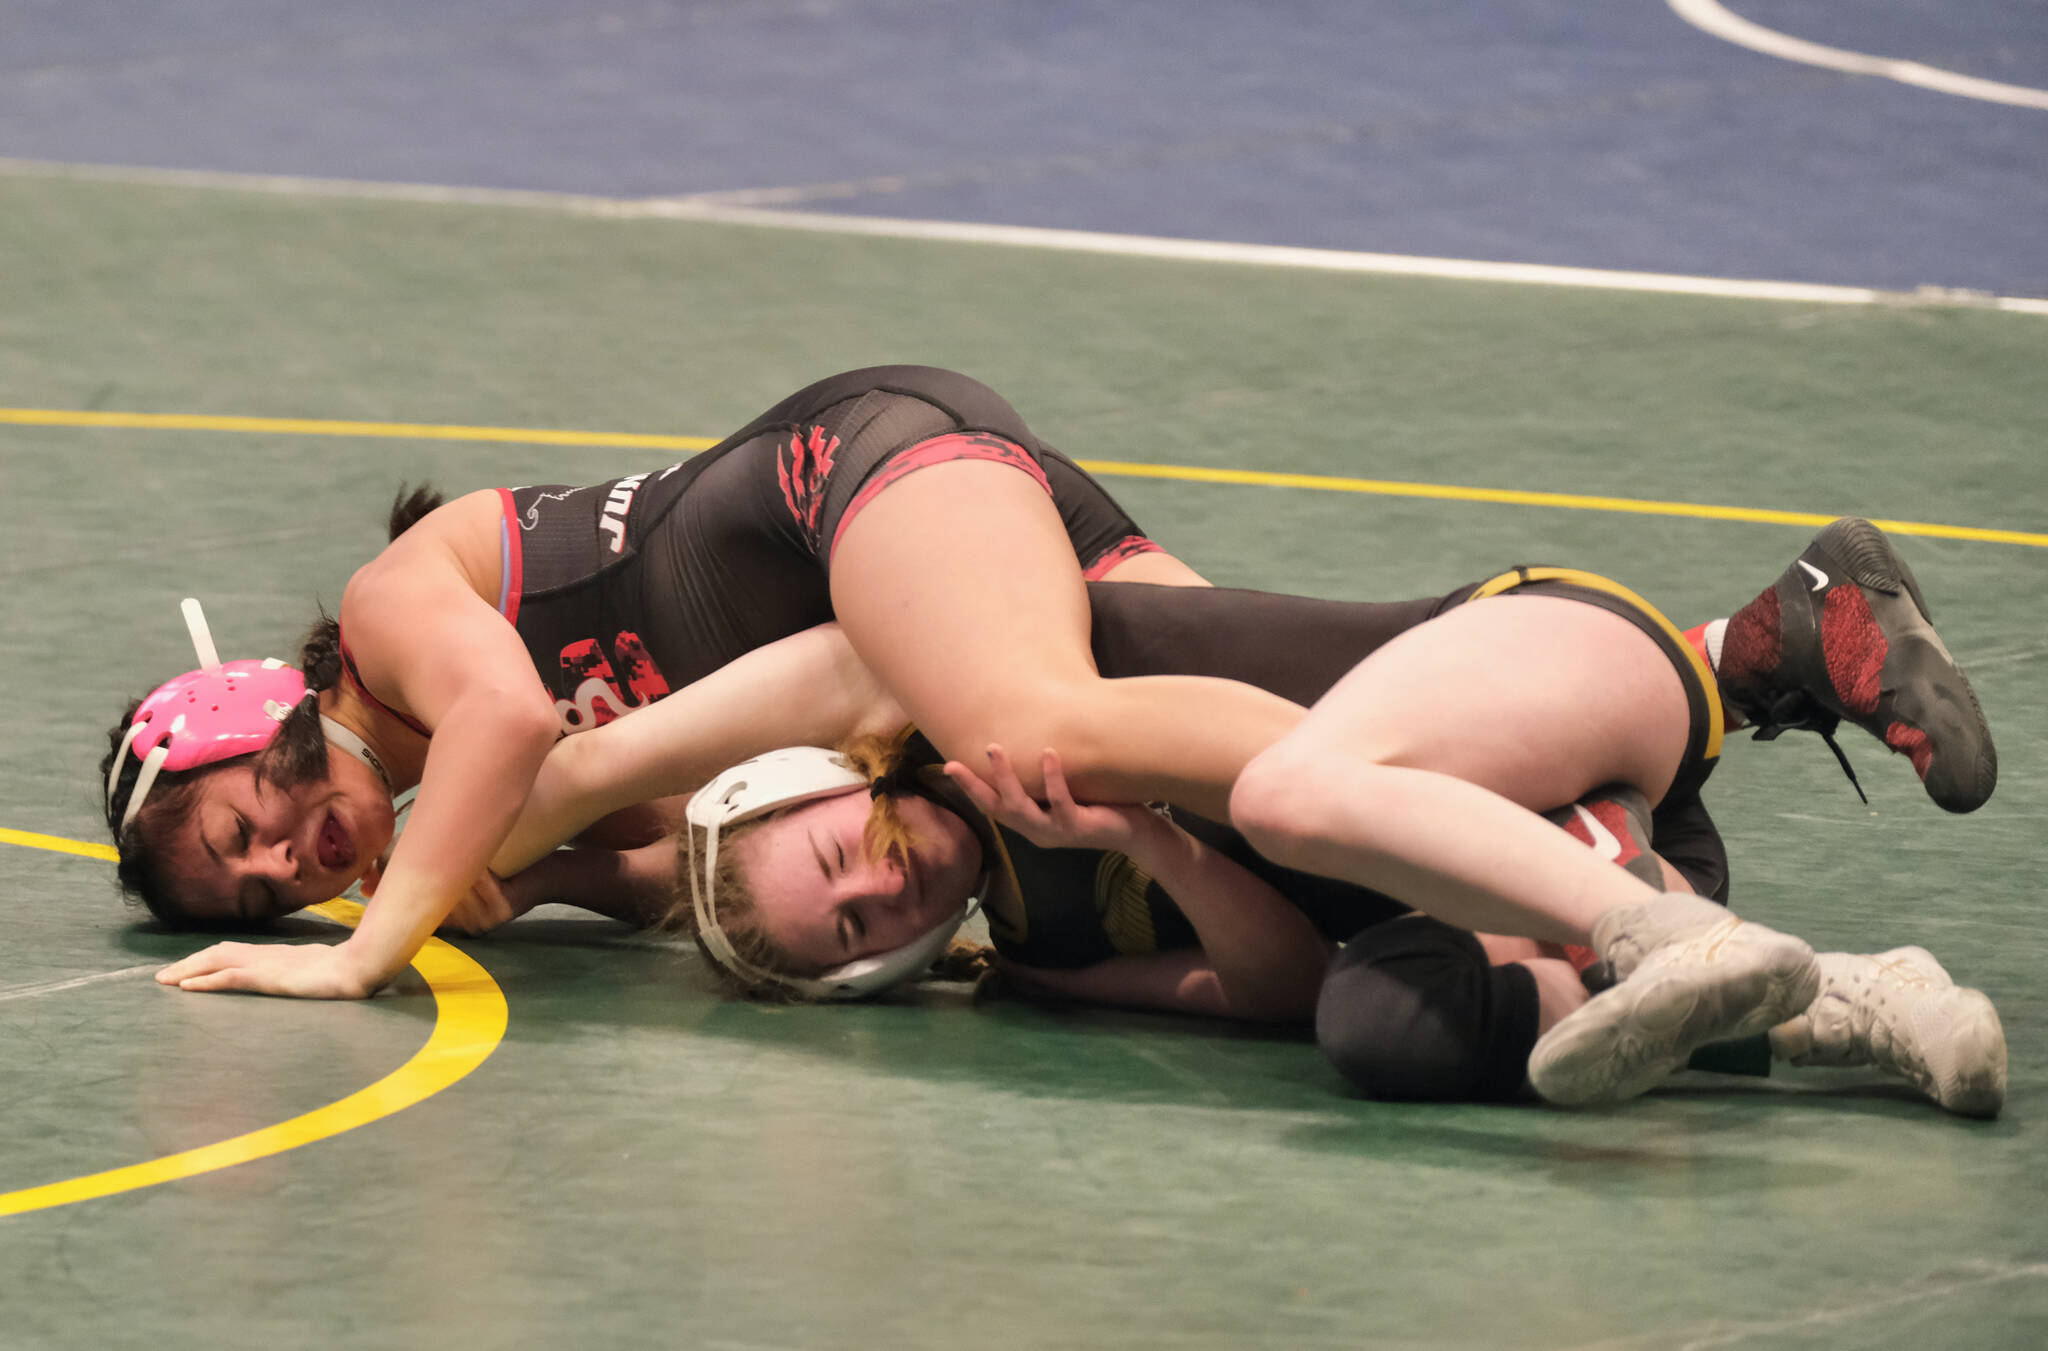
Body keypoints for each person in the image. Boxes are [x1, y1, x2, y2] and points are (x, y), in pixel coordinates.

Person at [106, 367, 1991, 1106]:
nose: (288, 861)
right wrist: (529, 888)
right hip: (916, 569)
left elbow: (531, 726)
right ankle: (1740, 700)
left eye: (252, 813)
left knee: (1079, 731)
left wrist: (367, 951)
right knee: (1239, 749)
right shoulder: (482, 831)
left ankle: (1660, 789)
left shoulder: (399, 633)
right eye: (256, 893)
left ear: (270, 716)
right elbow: (683, 876)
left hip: (846, 482)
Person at [474, 562, 2000, 1114]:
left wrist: (505, 851)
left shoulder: (980, 693)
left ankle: (1764, 653)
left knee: (1286, 790)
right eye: (859, 937)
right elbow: (1272, 986)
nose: (886, 887)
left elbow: (714, 751)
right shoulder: (1042, 951)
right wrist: (1150, 846)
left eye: (839, 863)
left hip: (1551, 667)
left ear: (819, 782)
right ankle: (1861, 1000)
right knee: (1375, 1024)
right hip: (1549, 852)